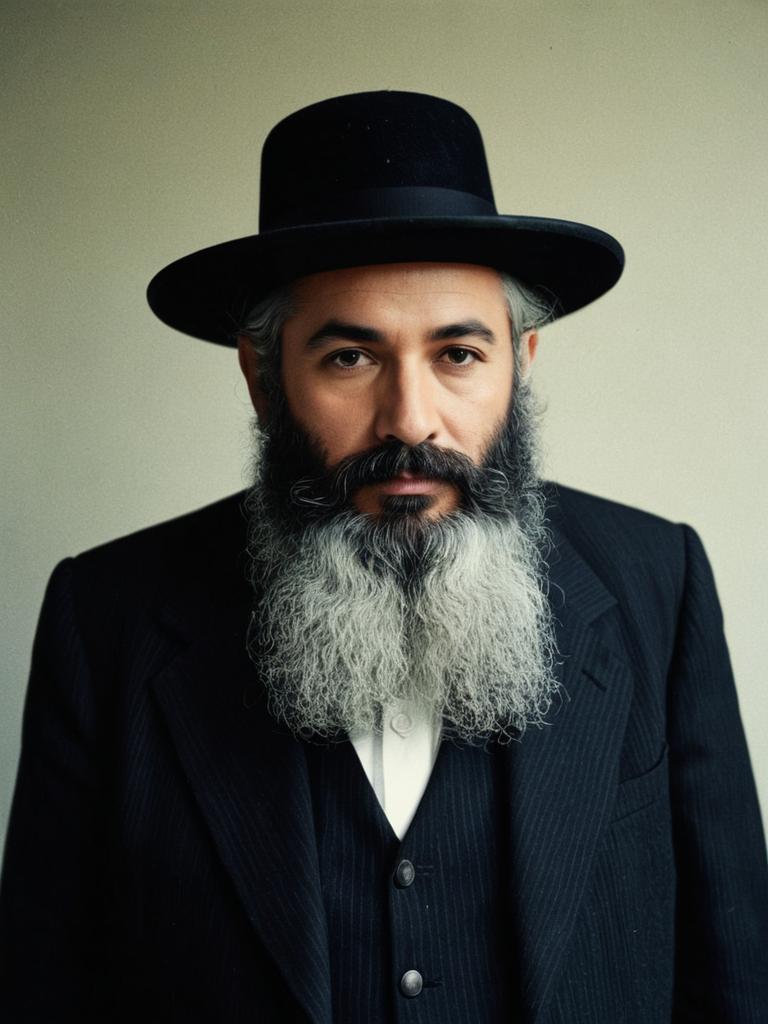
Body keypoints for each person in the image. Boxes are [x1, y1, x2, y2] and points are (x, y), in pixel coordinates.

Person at [1, 91, 766, 1023]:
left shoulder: (659, 580)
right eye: (350, 359)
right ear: (263, 375)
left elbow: (735, 977)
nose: (410, 419)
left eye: (458, 354)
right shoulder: (107, 615)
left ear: (520, 363)